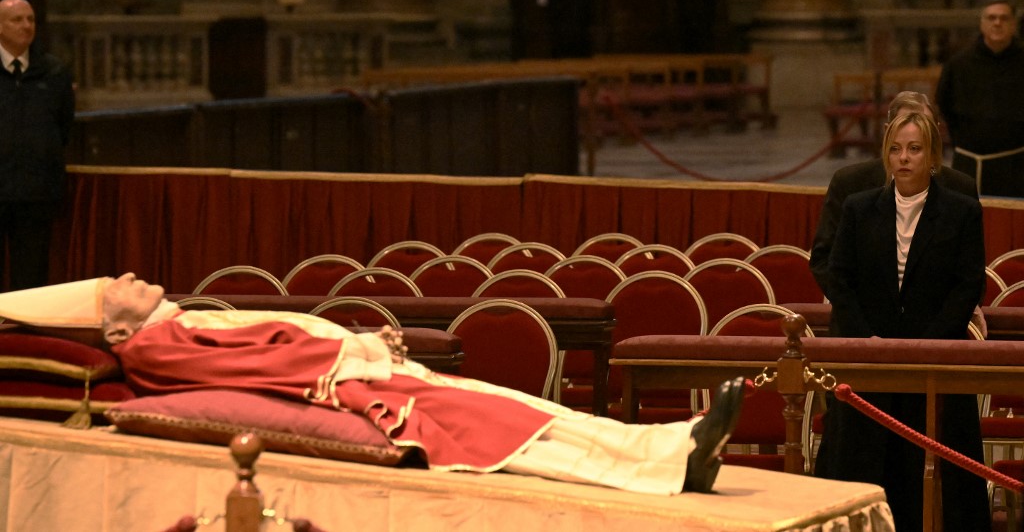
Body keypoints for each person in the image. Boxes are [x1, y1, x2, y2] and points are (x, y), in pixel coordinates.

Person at [85, 272, 744, 496]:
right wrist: (354, 358)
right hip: (356, 389)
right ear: (115, 330)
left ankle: (671, 450)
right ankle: (671, 459)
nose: (127, 279)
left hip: (363, 372)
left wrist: (358, 348)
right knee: (506, 429)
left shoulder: (174, 323)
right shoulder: (155, 345)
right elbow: (251, 368)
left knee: (513, 409)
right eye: (116, 290)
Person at [814, 111, 990, 531]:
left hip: (935, 361)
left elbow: (967, 286)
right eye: (895, 149)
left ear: (932, 156)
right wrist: (865, 336)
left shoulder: (961, 211)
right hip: (869, 363)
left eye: (914, 149)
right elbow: (838, 276)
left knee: (930, 476)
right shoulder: (860, 208)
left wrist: (927, 344)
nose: (904, 158)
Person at [810, 91, 978, 299]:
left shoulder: (960, 187)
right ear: (887, 132)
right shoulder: (849, 183)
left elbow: (970, 271)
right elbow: (823, 259)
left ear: (936, 136)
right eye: (903, 127)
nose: (912, 132)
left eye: (922, 128)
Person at [0, 0, 75, 292]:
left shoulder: (53, 72)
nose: (26, 26)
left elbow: (63, 127)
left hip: (36, 193)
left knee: (30, 282)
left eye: (30, 19)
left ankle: (23, 338)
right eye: (17, 20)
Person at [935, 0, 1024, 197]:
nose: (997, 23)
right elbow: (944, 104)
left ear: (1013, 25)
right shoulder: (958, 64)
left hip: (1016, 167)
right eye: (991, 18)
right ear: (982, 23)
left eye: (1004, 18)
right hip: (968, 164)